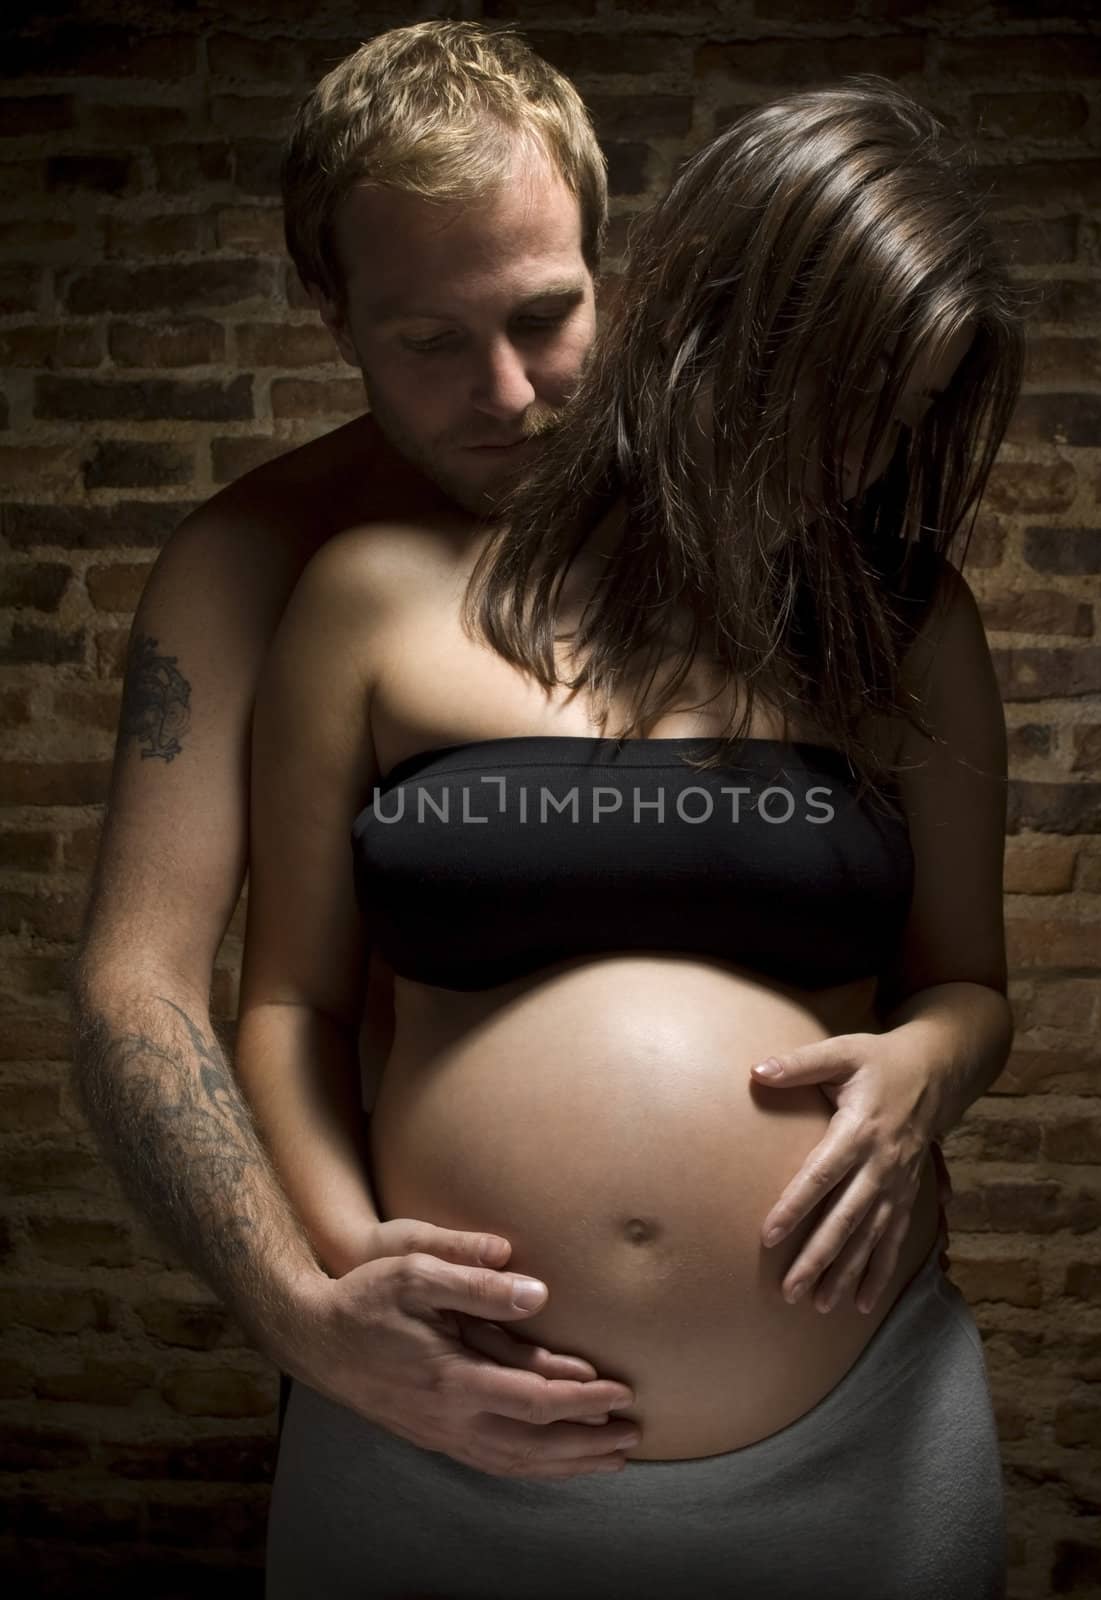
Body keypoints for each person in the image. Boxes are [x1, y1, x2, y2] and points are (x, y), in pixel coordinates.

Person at [240, 57, 1022, 1600]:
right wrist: (354, 1293)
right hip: (430, 1431)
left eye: (906, 420)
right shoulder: (376, 600)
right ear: (714, 317)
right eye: (839, 400)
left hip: (853, 1446)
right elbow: (290, 1005)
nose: (860, 461)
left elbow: (971, 988)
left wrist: (929, 1069)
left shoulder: (911, 626)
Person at [67, 19, 642, 1485]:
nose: (507, 392)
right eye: (431, 341)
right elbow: (139, 981)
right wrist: (306, 1320)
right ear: (331, 311)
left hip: (824, 1411)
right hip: (417, 1379)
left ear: (603, 255)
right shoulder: (253, 562)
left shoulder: (732, 535)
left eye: (546, 315)